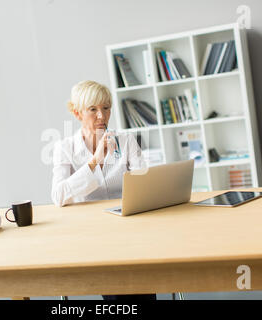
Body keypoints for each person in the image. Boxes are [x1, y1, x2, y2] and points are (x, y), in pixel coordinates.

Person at [51, 80, 156, 300]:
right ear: (77, 113)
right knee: (118, 290)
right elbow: (58, 196)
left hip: (129, 227)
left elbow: (145, 185)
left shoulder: (125, 141)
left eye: (106, 108)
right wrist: (95, 160)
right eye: (93, 109)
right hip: (93, 234)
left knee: (142, 285)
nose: (102, 116)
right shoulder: (65, 148)